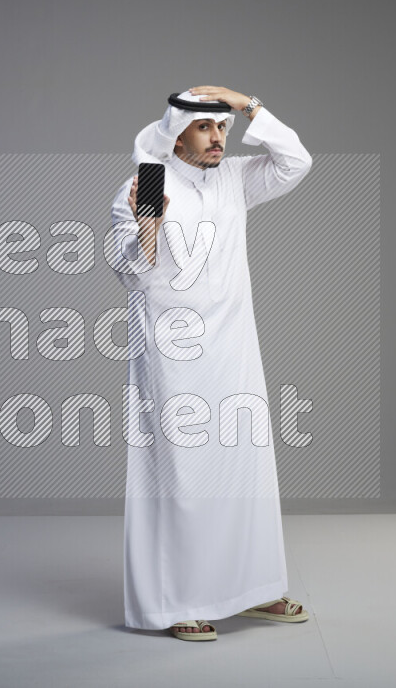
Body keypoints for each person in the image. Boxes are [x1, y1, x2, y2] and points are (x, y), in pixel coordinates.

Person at [108, 86, 313, 641]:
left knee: (245, 465)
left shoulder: (234, 177)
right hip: (173, 349)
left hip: (234, 343)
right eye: (205, 128)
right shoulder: (146, 183)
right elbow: (131, 275)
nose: (218, 138)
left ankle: (252, 589)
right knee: (183, 474)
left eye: (222, 128)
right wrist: (149, 224)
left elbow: (297, 161)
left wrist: (248, 104)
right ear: (177, 133)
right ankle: (178, 601)